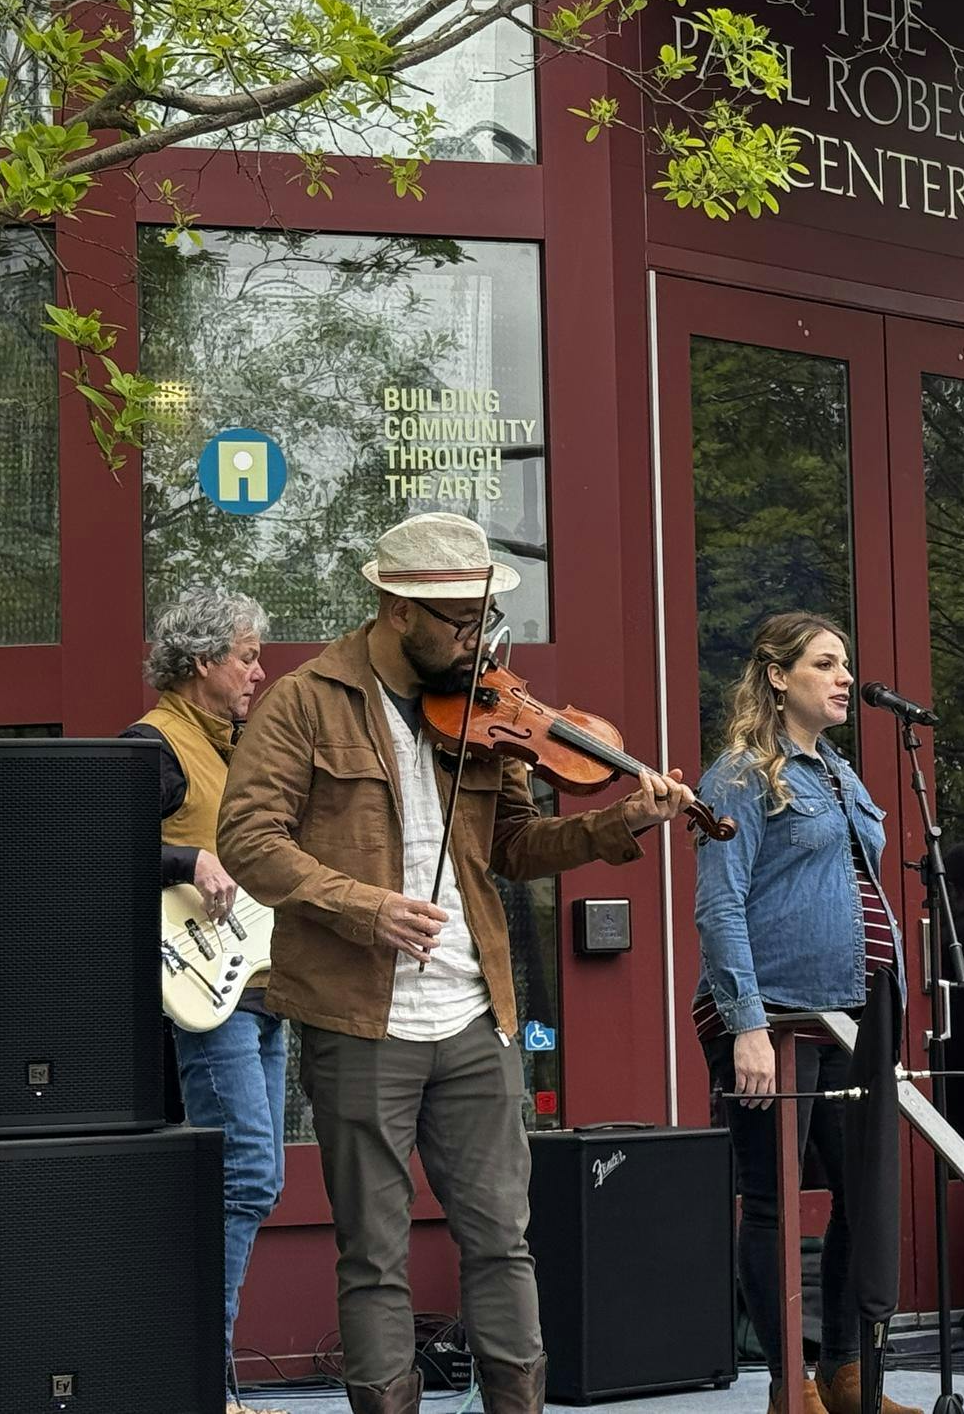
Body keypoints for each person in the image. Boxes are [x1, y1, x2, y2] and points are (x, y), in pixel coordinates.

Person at [217, 512, 696, 1414]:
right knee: (375, 1247)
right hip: (359, 1016)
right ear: (399, 609)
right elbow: (247, 838)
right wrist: (366, 907)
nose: (478, 642)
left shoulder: (485, 705)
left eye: (484, 622)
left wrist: (618, 824)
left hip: (475, 1014)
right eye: (461, 624)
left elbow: (514, 846)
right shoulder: (305, 699)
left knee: (501, 1238)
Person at [691, 612, 920, 1414]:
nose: (845, 678)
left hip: (858, 1011)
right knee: (773, 1196)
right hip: (780, 1020)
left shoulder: (841, 775)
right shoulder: (741, 775)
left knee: (865, 1192)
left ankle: (849, 1375)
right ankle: (790, 1386)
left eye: (846, 665)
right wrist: (747, 1022)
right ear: (779, 676)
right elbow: (720, 908)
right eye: (827, 664)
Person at [121, 588, 282, 1414]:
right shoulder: (155, 744)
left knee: (255, 1176)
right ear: (201, 663)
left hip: (259, 986)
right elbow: (92, 845)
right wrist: (186, 862)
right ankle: (198, 1378)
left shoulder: (242, 746)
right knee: (247, 1172)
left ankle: (198, 1374)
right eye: (247, 655)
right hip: (207, 994)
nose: (260, 670)